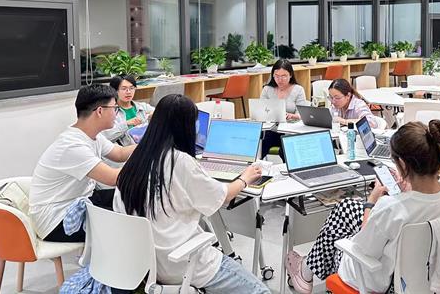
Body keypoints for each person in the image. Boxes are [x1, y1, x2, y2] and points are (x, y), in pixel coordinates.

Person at [284, 120, 440, 293]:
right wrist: (408, 191)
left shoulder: (391, 208)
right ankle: (305, 269)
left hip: (388, 281)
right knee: (347, 207)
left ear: (402, 164)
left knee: (340, 235)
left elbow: (362, 249)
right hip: (435, 273)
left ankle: (305, 269)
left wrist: (371, 202)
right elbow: (421, 206)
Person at [113, 94, 270, 293]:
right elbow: (223, 196)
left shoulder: (137, 158)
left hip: (146, 264)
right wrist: (245, 178)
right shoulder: (180, 162)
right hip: (182, 263)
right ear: (185, 126)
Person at [29, 84, 136, 242]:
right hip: (56, 220)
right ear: (100, 111)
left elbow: (119, 154)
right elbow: (114, 178)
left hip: (80, 199)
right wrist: (145, 160)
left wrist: (149, 145)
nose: (116, 113)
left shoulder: (92, 135)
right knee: (127, 223)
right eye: (115, 108)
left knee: (133, 197)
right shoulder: (72, 145)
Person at [259, 59, 310, 159]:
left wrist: (291, 116)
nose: (280, 79)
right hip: (271, 130)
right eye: (277, 76)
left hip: (290, 130)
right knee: (258, 146)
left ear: (290, 75)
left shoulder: (298, 90)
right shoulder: (267, 89)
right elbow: (260, 110)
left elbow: (301, 114)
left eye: (284, 76)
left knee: (287, 149)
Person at [102, 74, 154, 146]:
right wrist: (126, 124)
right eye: (124, 89)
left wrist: (154, 116)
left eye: (131, 88)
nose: (128, 92)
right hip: (125, 150)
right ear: (115, 90)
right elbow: (104, 137)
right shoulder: (110, 111)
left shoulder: (143, 107)